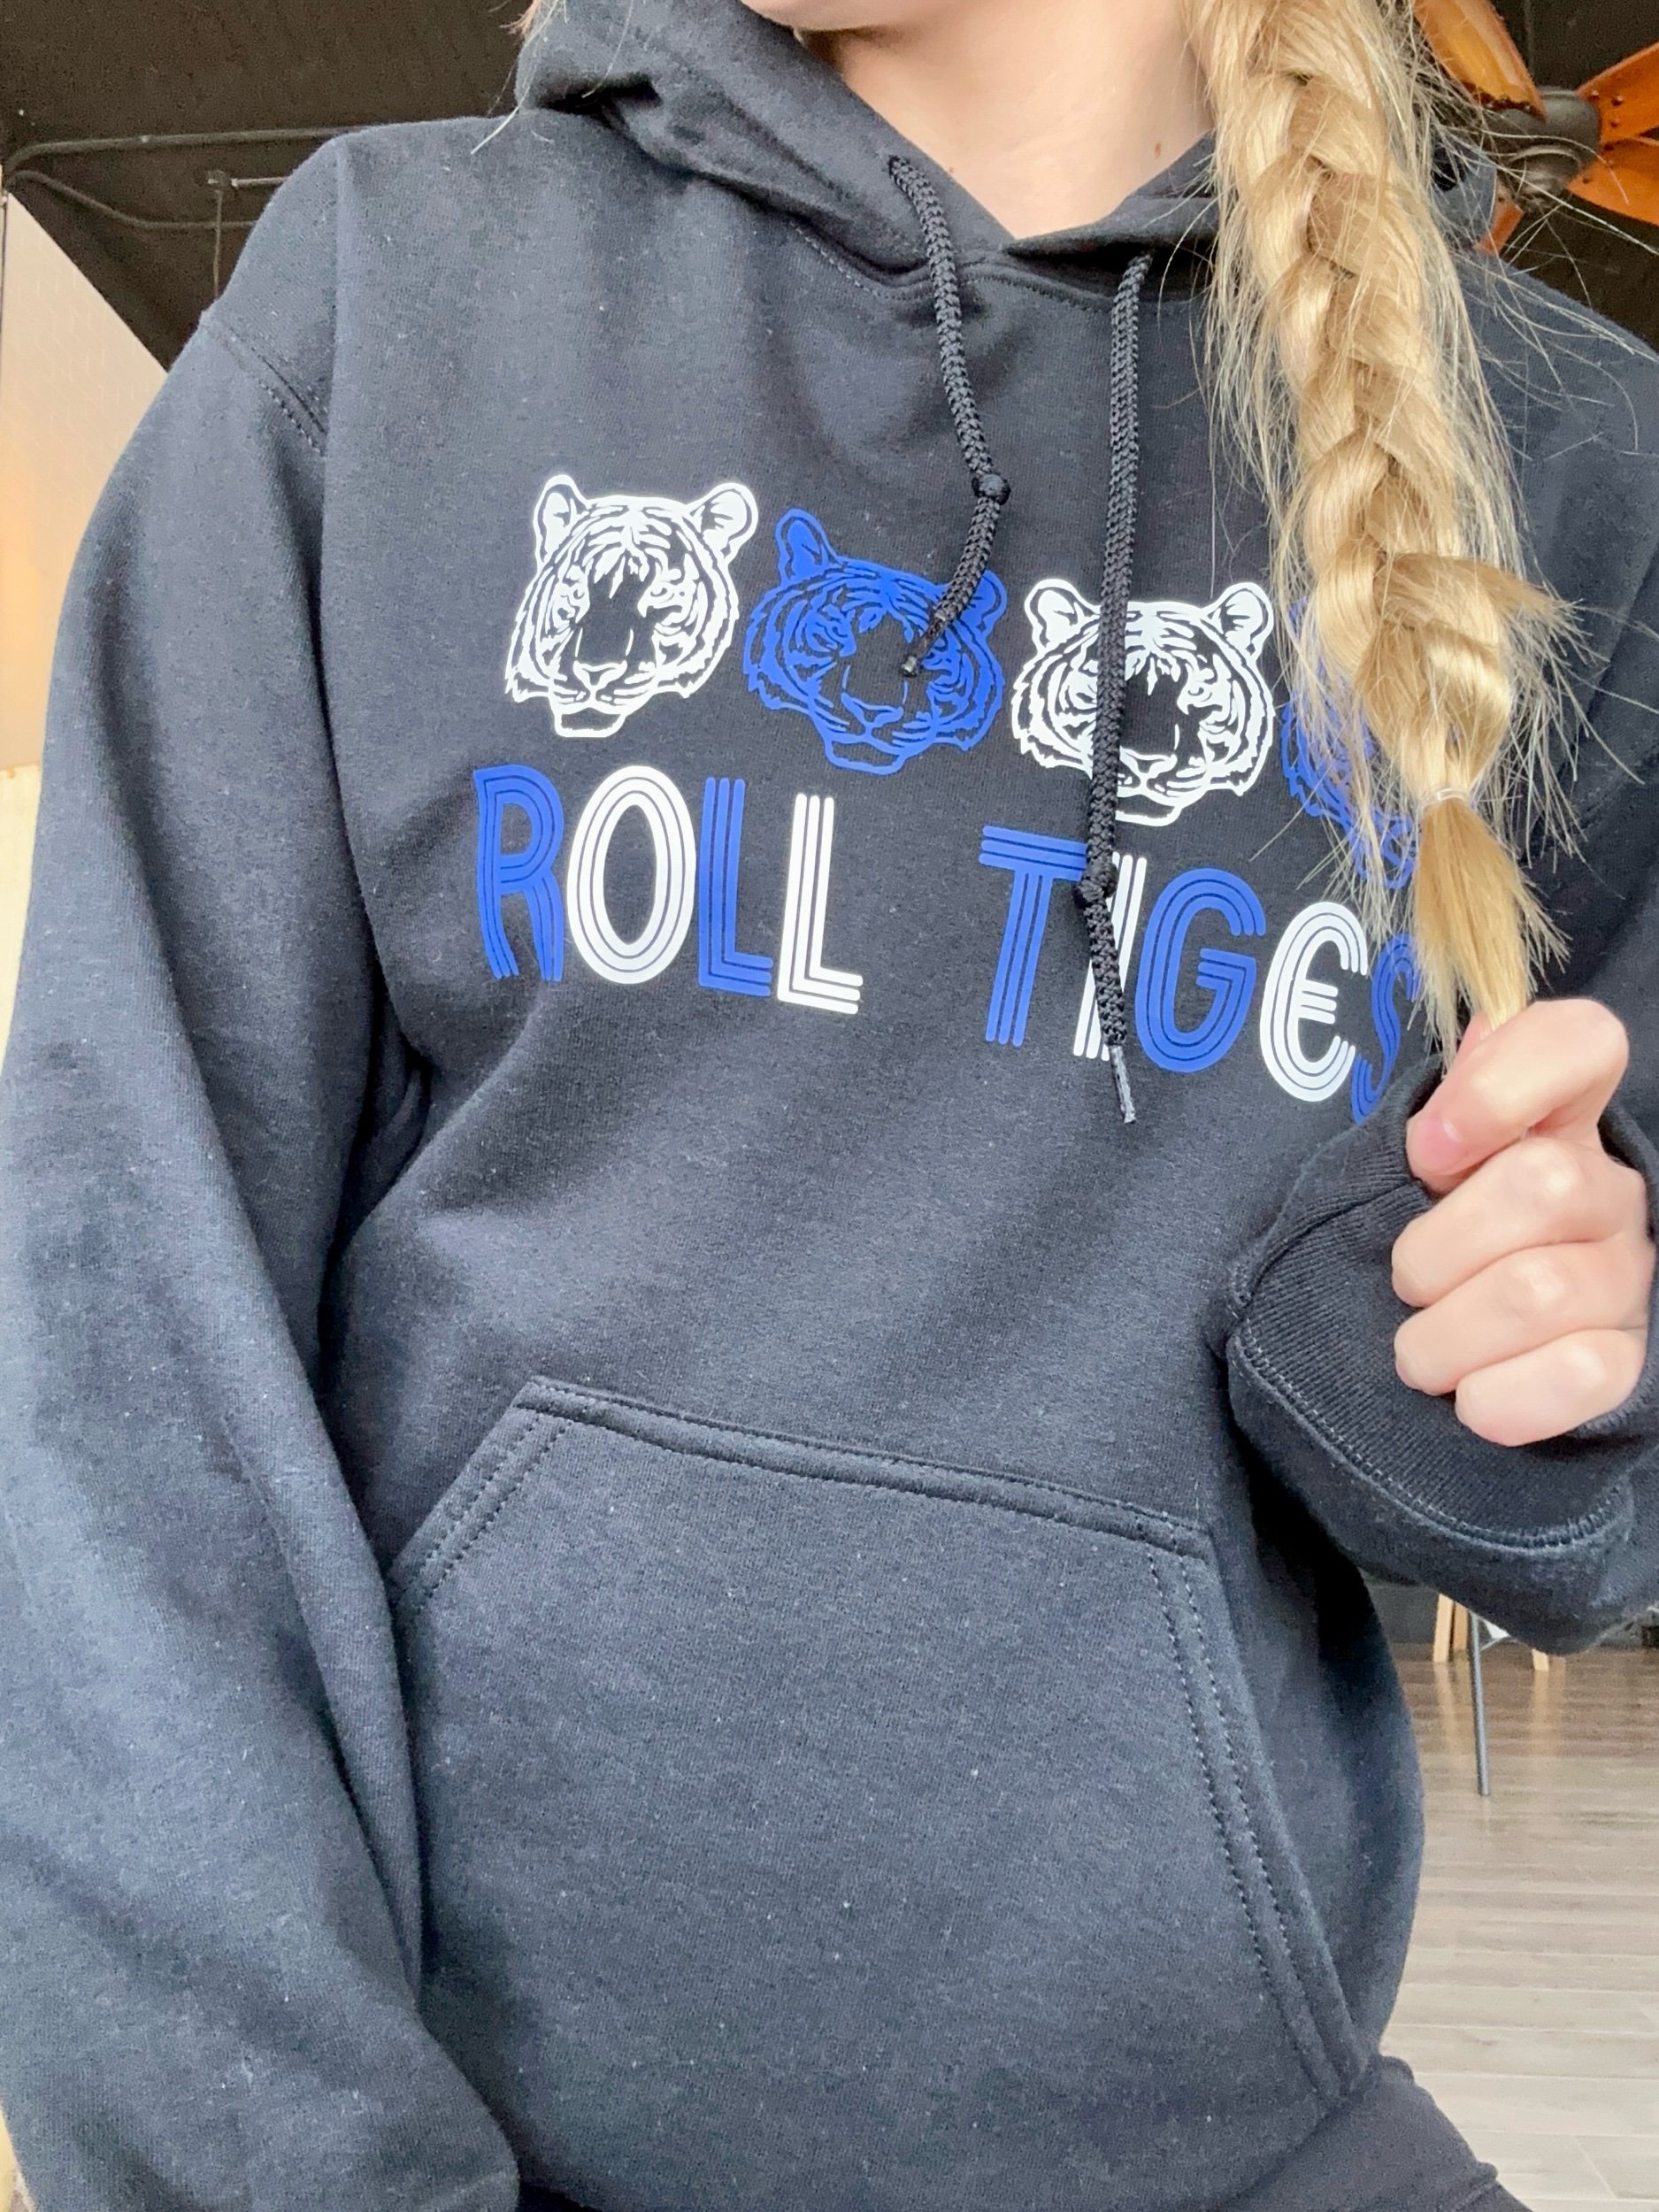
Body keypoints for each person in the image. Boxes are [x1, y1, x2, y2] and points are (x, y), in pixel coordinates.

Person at [2, 0, 1657, 2205]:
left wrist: (1550, 1360)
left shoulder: (1572, 475)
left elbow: (1566, 1494)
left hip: (1212, 2141)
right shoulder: (394, 300)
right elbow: (108, 1365)